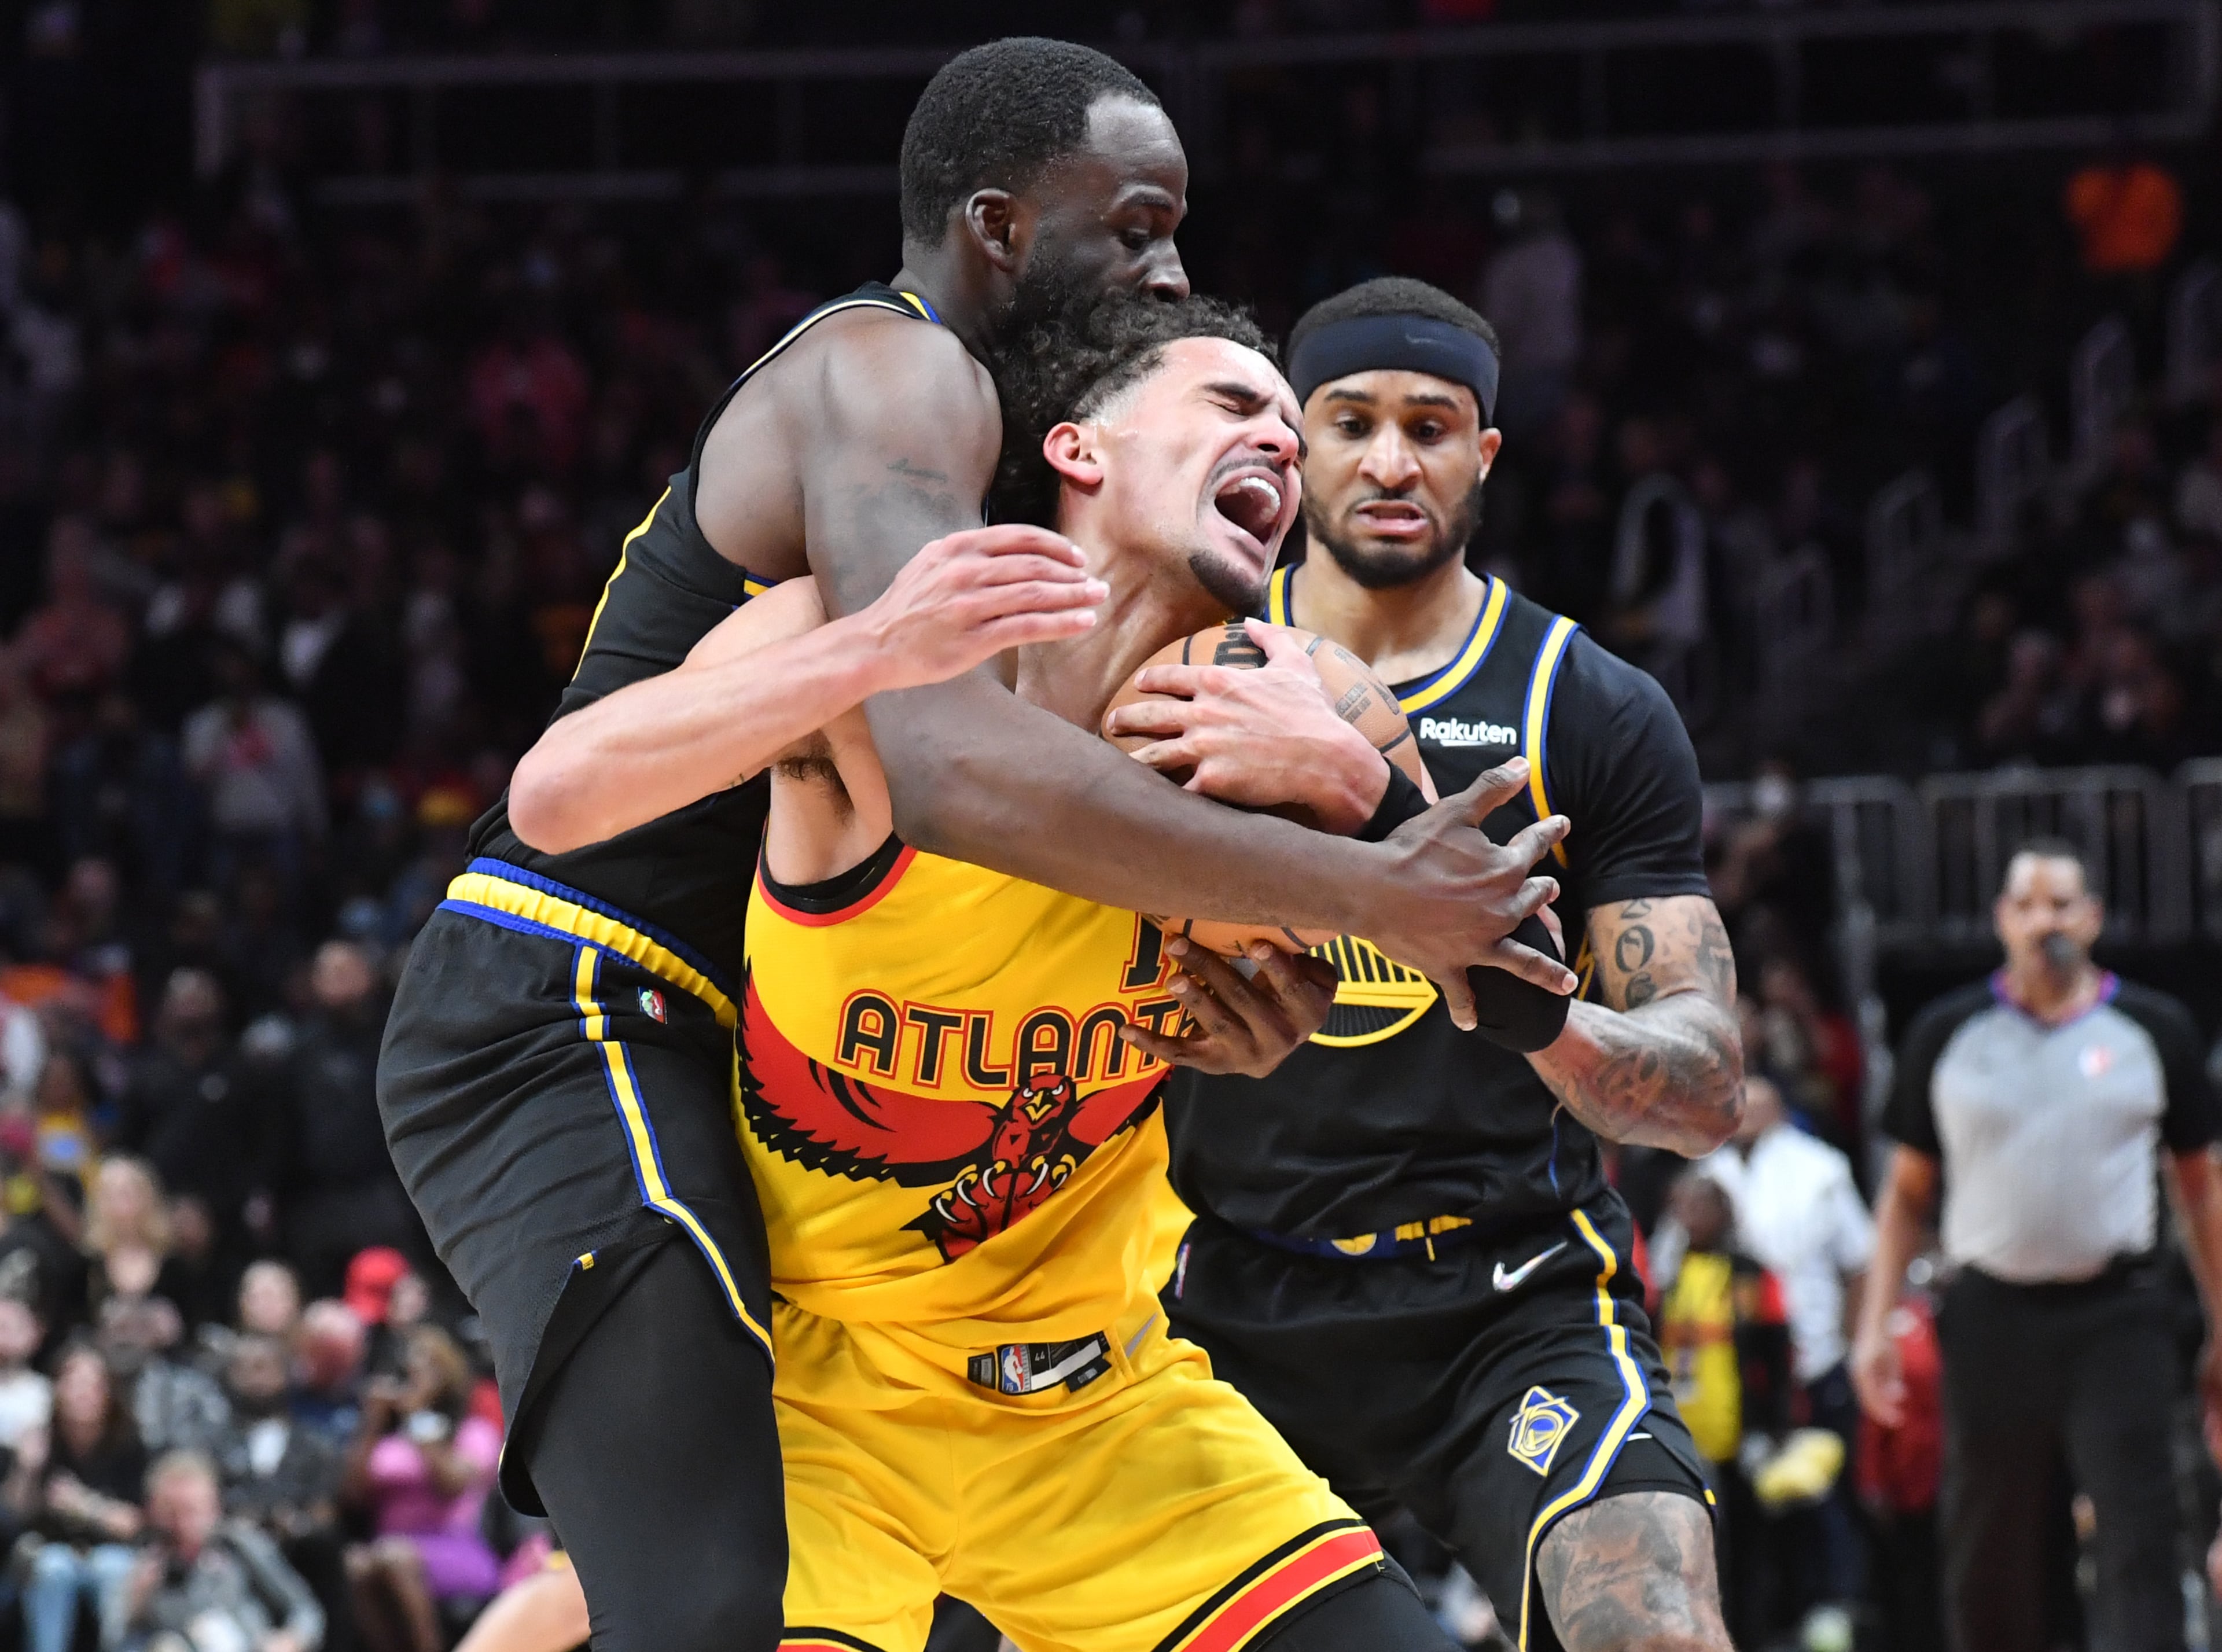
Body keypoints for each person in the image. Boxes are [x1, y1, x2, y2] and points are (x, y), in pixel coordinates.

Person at [378, 38, 1565, 1652]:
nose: (1173, 270)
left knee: (699, 1540)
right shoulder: (901, 370)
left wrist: (1304, 917)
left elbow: (1451, 982)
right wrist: (1365, 883)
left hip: (773, 1050)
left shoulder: (1133, 579)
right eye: (1138, 228)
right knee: (704, 1594)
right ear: (1000, 228)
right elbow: (937, 762)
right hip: (571, 980)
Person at [715, 296, 1513, 1651]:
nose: (1282, 435)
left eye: (1286, 423)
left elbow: (1483, 983)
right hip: (808, 1409)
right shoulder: (881, 660)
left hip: (1100, 1410)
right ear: (1078, 448)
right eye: (1232, 404)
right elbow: (576, 799)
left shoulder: (1302, 703)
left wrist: (1355, 796)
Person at [1117, 277, 1740, 1652]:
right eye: (1349, 422)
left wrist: (1495, 967)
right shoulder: (1173, 670)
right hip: (1216, 1293)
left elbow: (1701, 1090)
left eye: (1430, 424)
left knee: (1656, 1628)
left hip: (1503, 1297)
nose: (1390, 459)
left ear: (1485, 455)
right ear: (1290, 445)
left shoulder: (1589, 707)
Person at [1853, 838, 2222, 1652]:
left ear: (2092, 918)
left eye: (2062, 902)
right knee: (1990, 1545)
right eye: (2027, 903)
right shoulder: (1947, 1033)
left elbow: (2201, 1190)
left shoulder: (2153, 1028)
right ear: (2001, 921)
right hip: (1991, 1315)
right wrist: (1874, 1324)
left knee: (2140, 1532)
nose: (2045, 918)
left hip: (2120, 1315)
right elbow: (1906, 1194)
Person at [1701, 1075, 1871, 1635]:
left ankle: (1832, 1614)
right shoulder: (1708, 1170)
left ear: (1777, 1108)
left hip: (1814, 1358)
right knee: (1748, 1511)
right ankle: (1759, 1623)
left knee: (1821, 1498)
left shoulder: (1819, 1168)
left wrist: (1850, 1346)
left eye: (1754, 1103)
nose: (1744, 1112)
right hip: (1735, 1375)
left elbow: (1858, 1265)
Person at [341, 1326, 501, 1652]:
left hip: (455, 1547)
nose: (413, 1378)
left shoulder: (473, 1432)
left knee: (394, 1556)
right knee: (356, 1563)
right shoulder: (387, 1440)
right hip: (390, 1548)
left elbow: (451, 1485)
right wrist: (372, 1421)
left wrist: (418, 1416)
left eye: (426, 1369)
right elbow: (353, 1494)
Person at [110, 1448, 324, 1652]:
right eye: (171, 1512)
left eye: (192, 1511)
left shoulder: (240, 1546)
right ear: (153, 1512)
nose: (182, 1524)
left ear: (214, 1508)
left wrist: (291, 1640)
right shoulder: (142, 1562)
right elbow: (112, 1641)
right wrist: (135, 1606)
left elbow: (306, 1611)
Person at [11, 1341, 148, 1652]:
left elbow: (133, 1523)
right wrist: (26, 1469)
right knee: (52, 1568)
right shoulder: (42, 1439)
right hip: (53, 1551)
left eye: (93, 1385)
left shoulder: (128, 1443)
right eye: (73, 1384)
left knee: (112, 1569)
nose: (82, 1393)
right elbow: (15, 1515)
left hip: (111, 1552)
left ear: (109, 1393)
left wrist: (83, 1505)